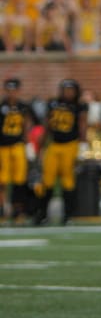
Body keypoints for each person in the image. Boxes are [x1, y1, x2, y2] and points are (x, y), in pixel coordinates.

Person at [35, 79, 88, 225]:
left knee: (68, 181)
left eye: (70, 89)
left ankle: (68, 215)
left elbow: (83, 125)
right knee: (47, 180)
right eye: (65, 89)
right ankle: (42, 215)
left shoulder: (79, 106)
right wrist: (40, 146)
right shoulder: (53, 103)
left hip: (70, 145)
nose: (68, 92)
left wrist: (83, 145)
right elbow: (47, 125)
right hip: (54, 145)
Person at [0, 77, 35, 222]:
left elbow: (28, 124)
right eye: (9, 90)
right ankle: (2, 210)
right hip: (2, 147)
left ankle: (17, 210)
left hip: (18, 146)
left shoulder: (24, 107)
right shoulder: (1, 106)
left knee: (19, 180)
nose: (11, 93)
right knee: (2, 180)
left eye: (14, 90)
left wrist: (28, 145)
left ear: (18, 91)